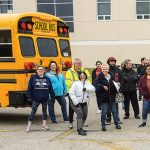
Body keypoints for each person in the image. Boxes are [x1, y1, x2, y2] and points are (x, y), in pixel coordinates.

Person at [26, 65, 55, 132]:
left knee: (44, 112)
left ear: (44, 71)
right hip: (36, 99)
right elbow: (29, 88)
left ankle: (44, 125)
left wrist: (53, 97)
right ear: (37, 70)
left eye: (42, 69)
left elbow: (51, 89)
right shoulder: (33, 78)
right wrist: (29, 97)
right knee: (33, 112)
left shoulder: (47, 78)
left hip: (45, 99)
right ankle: (29, 126)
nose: (41, 70)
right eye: (39, 69)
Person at [65, 58, 92, 129]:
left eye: (80, 63)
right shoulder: (70, 71)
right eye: (78, 63)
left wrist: (85, 85)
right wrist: (78, 84)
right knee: (72, 108)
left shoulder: (85, 70)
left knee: (83, 108)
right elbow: (67, 82)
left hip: (83, 92)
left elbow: (89, 79)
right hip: (72, 92)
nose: (79, 64)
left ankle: (81, 122)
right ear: (74, 64)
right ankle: (70, 122)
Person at [94, 64, 121, 131]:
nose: (105, 70)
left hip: (112, 97)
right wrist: (102, 86)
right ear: (101, 70)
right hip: (104, 98)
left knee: (114, 111)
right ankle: (103, 125)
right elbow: (95, 85)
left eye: (106, 69)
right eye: (103, 69)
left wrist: (117, 85)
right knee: (104, 112)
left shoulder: (112, 75)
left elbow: (115, 83)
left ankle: (117, 124)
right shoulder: (99, 77)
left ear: (108, 69)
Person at [106, 57, 122, 124]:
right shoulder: (106, 69)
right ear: (108, 62)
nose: (112, 63)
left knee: (116, 105)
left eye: (113, 61)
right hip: (107, 91)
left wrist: (120, 86)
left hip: (116, 91)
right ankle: (108, 118)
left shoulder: (117, 69)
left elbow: (121, 78)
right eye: (111, 61)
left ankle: (117, 119)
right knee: (108, 105)